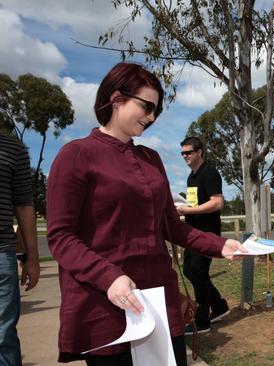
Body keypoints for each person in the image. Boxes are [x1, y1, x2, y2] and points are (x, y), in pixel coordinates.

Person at [46, 62, 245, 366]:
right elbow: (61, 237)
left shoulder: (151, 159)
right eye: (146, 106)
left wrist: (219, 245)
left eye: (156, 110)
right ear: (116, 98)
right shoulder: (75, 155)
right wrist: (108, 278)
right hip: (106, 302)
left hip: (158, 300)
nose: (151, 117)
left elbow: (173, 228)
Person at [177, 137, 230, 334]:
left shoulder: (210, 173)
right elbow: (193, 204)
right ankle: (219, 306)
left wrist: (188, 211)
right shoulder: (191, 177)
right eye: (182, 153)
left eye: (188, 152)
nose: (185, 156)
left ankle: (202, 321)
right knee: (190, 270)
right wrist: (183, 209)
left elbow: (217, 203)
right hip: (192, 232)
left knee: (198, 272)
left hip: (207, 234)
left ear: (200, 151)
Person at [0, 133, 40, 366]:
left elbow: (24, 205)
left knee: (3, 337)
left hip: (2, 252)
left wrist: (31, 258)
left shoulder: (13, 148)